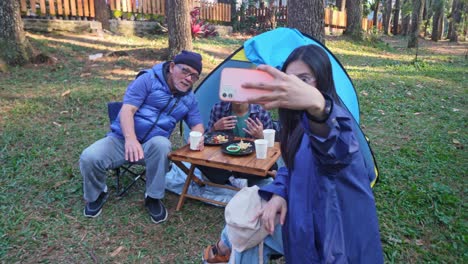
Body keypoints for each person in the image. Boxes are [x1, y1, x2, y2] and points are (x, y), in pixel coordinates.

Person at [203, 44, 383, 263]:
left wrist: (319, 106)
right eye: (290, 80)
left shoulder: (334, 123)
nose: (295, 87)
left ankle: (223, 248)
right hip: (302, 219)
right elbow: (292, 168)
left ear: (323, 81)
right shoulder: (297, 125)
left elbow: (335, 149)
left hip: (335, 238)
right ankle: (224, 248)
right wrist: (280, 193)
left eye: (304, 79)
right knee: (250, 220)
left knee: (248, 227)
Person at [80, 50, 205, 224]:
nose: (188, 79)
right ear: (172, 67)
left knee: (162, 144)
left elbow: (196, 122)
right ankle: (98, 193)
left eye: (194, 76)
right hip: (122, 139)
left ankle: (153, 197)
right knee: (89, 157)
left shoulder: (189, 98)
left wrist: (198, 136)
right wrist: (130, 139)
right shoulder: (147, 79)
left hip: (151, 148)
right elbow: (127, 110)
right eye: (185, 71)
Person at [198, 101, 275, 187]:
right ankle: (234, 178)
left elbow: (272, 148)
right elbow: (205, 139)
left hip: (250, 160)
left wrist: (261, 136)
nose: (238, 97)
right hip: (225, 159)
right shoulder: (218, 108)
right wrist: (214, 128)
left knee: (272, 166)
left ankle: (230, 178)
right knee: (199, 160)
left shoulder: (262, 112)